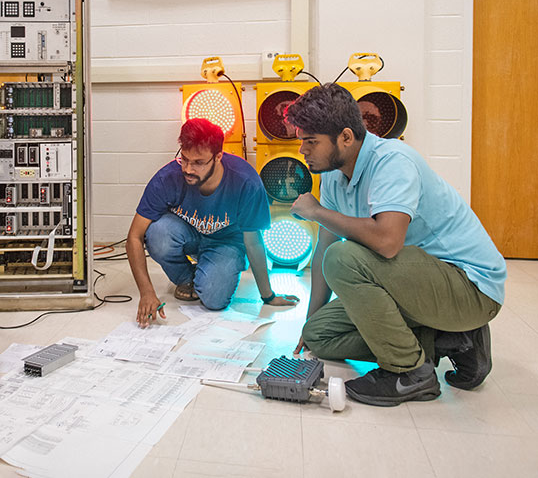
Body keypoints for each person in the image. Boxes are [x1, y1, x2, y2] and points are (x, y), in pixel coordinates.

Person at [284, 83, 506, 407]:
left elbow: (387, 242)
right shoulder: (332, 173)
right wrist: (308, 320)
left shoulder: (393, 161)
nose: (302, 150)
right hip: (413, 286)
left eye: (311, 141)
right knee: (320, 335)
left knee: (344, 258)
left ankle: (411, 372)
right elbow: (322, 249)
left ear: (345, 137)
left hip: (470, 289)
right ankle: (448, 340)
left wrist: (317, 211)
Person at [126, 118, 299, 327]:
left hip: (226, 243)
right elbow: (134, 237)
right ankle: (187, 279)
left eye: (198, 162)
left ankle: (214, 271)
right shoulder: (167, 178)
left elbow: (253, 242)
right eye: (184, 159)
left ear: (218, 157)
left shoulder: (246, 182)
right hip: (187, 235)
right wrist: (147, 293)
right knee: (157, 233)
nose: (188, 169)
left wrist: (268, 296)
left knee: (215, 300)